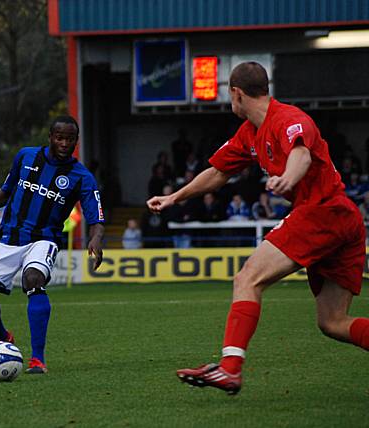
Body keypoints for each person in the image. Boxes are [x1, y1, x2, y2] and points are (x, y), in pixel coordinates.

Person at [147, 62, 369, 395]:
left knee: (247, 278)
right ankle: (229, 369)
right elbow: (218, 173)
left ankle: (230, 369)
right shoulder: (250, 132)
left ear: (236, 93)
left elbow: (302, 155)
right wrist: (174, 197)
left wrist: (287, 179)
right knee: (332, 322)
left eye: (230, 97)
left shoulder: (288, 119)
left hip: (324, 212)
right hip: (339, 218)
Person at [0, 115, 104, 374]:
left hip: (44, 239)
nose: (64, 143)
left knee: (33, 279)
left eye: (70, 139)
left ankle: (37, 359)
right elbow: (6, 191)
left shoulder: (81, 176)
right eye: (60, 137)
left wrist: (96, 238)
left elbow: (96, 217)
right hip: (10, 237)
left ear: (76, 141)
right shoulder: (25, 157)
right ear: (50, 137)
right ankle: (2, 338)